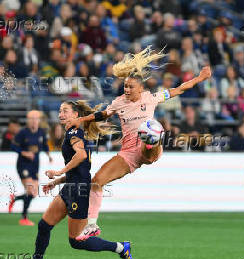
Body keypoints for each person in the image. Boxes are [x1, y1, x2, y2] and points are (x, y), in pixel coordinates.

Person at [67, 47, 212, 240]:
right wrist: (81, 121)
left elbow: (179, 89)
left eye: (130, 87)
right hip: (129, 155)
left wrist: (200, 78)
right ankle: (92, 225)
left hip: (150, 150)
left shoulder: (151, 98)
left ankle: (152, 141)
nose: (126, 89)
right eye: (125, 86)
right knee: (96, 182)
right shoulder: (119, 102)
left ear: (140, 88)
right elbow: (102, 115)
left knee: (149, 128)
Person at [14, 100, 132, 259]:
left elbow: (81, 155)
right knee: (44, 225)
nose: (61, 114)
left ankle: (121, 248)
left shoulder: (75, 131)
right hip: (71, 187)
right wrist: (57, 181)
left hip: (79, 192)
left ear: (76, 115)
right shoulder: (72, 131)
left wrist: (59, 171)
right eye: (60, 110)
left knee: (76, 242)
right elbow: (79, 170)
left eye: (65, 111)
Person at [9, 110, 52, 226]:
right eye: (31, 119)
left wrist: (48, 155)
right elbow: (13, 146)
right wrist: (24, 153)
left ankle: (16, 198)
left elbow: (44, 145)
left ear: (39, 120)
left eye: (36, 119)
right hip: (23, 164)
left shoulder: (41, 132)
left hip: (35, 165)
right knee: (30, 189)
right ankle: (24, 218)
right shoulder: (22, 133)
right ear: (28, 121)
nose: (33, 121)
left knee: (33, 193)